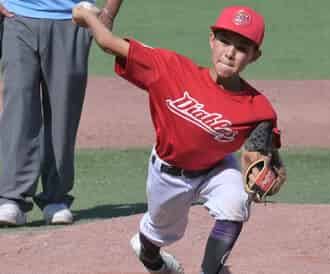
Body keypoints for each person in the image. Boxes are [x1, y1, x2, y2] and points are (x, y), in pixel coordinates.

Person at [72, 4, 287, 274]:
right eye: (224, 41)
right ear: (211, 40)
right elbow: (108, 43)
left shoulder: (259, 108)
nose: (230, 53)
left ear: (255, 55)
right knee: (153, 242)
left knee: (235, 203)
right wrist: (88, 16)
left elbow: (262, 151)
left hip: (217, 169)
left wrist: (270, 167)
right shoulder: (171, 69)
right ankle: (154, 259)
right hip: (168, 174)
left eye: (242, 47)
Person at [0, 0, 123, 226]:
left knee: (63, 112)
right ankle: (11, 198)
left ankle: (55, 198)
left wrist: (108, 14)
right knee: (17, 108)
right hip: (16, 15)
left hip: (72, 19)